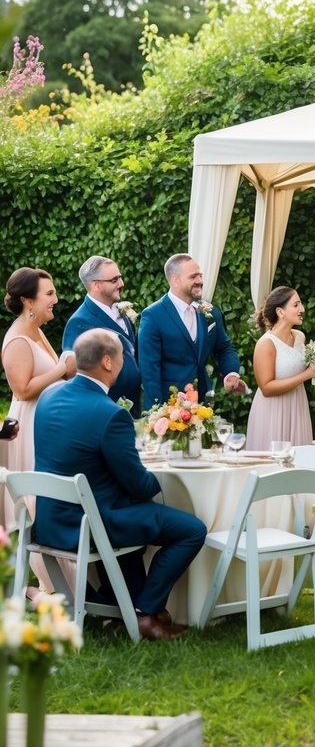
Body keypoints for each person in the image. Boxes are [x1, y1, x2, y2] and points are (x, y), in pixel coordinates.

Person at [34, 329, 206, 641]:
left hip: (50, 520)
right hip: (91, 524)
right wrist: (165, 471)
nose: (127, 362)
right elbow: (140, 485)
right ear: (108, 362)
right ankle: (145, 613)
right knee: (191, 530)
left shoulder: (48, 396)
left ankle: (119, 603)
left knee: (137, 518)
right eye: (124, 356)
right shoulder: (111, 414)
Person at [1, 267, 76, 593]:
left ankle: (59, 586)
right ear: (28, 301)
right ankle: (52, 587)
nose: (55, 300)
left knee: (54, 499)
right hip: (29, 426)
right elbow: (22, 389)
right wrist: (62, 368)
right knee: (39, 504)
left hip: (48, 423)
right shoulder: (17, 339)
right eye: (49, 294)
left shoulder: (37, 332)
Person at [138, 254, 246, 410]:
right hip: (170, 406)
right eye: (193, 277)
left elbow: (225, 348)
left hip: (204, 402)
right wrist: (156, 412)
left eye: (200, 276)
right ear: (175, 280)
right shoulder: (153, 316)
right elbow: (149, 370)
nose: (200, 281)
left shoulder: (210, 312)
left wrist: (231, 373)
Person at [62, 254, 142, 415]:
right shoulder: (79, 322)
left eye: (120, 277)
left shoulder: (121, 312)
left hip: (133, 407)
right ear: (96, 285)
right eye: (114, 280)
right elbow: (75, 373)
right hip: (106, 410)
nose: (121, 284)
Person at [246, 286, 315, 450]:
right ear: (280, 312)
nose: (302, 309)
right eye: (296, 305)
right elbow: (266, 388)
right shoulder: (266, 344)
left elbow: (299, 367)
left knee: (298, 462)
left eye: (300, 304)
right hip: (273, 412)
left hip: (297, 407)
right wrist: (307, 375)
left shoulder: (300, 337)